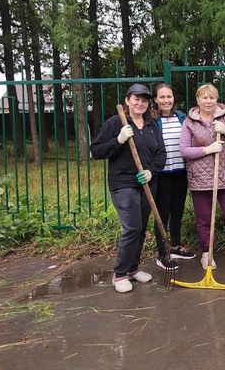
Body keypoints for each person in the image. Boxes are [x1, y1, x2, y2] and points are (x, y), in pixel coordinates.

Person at [91, 84, 166, 293]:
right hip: (123, 183)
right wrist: (118, 140)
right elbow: (96, 151)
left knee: (140, 228)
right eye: (136, 99)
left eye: (144, 100)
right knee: (132, 227)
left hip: (147, 183)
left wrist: (152, 171)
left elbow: (161, 152)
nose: (140, 103)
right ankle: (120, 274)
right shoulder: (116, 123)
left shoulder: (151, 125)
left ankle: (133, 269)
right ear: (127, 101)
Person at [180, 84, 225, 270]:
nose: (208, 101)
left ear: (216, 99)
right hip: (200, 179)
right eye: (204, 98)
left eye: (212, 97)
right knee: (204, 217)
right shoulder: (190, 122)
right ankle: (207, 253)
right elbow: (184, 150)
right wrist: (206, 150)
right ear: (198, 100)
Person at [152, 83, 196, 272]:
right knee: (163, 214)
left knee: (177, 212)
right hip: (161, 174)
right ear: (155, 100)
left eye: (169, 96)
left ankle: (176, 247)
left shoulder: (182, 118)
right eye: (162, 97)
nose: (166, 100)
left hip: (180, 172)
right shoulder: (151, 121)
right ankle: (163, 254)